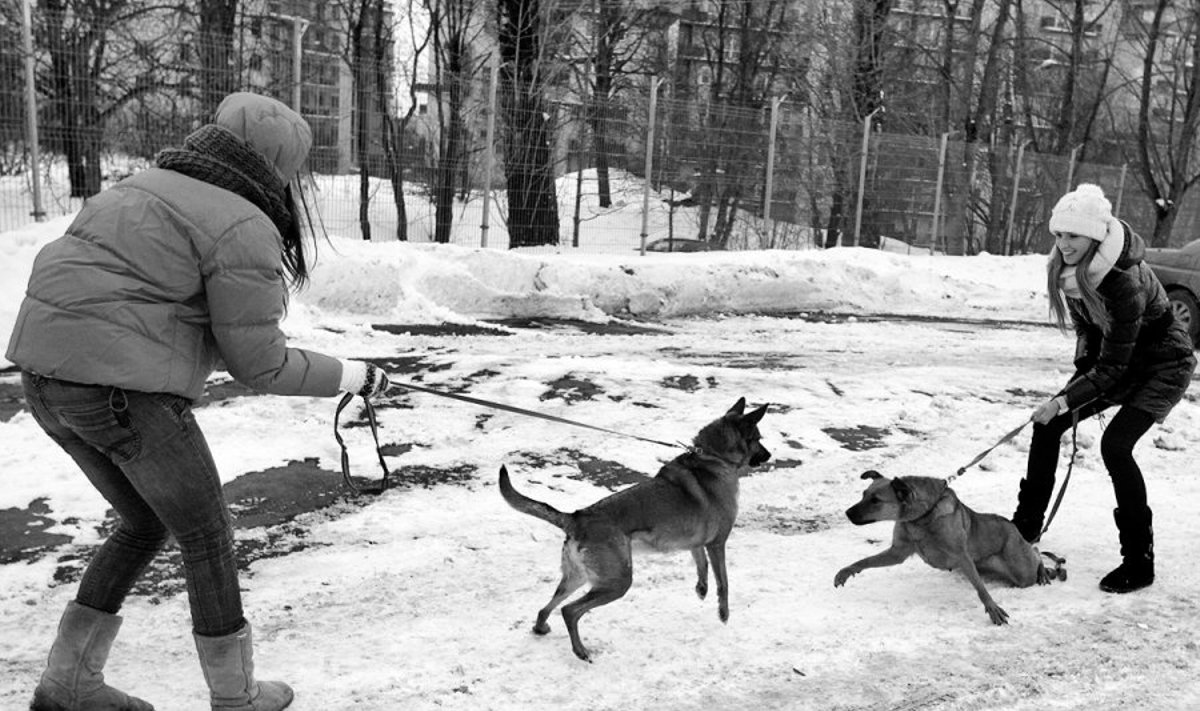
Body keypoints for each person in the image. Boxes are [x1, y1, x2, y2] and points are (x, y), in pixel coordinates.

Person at [7, 92, 394, 711]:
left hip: (46, 381)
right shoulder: (244, 221)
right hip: (121, 393)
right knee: (207, 535)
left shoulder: (137, 188)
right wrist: (352, 375)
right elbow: (260, 363)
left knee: (145, 522)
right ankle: (235, 699)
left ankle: (68, 684)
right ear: (278, 167)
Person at [1010, 183, 1195, 594]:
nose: (1063, 244)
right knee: (1048, 425)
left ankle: (1139, 561)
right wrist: (1076, 380)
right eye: (1058, 235)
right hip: (1120, 362)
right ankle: (1023, 531)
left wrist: (1066, 397)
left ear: (1095, 236)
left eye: (1072, 236)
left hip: (1163, 365)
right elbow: (1089, 334)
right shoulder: (1069, 271)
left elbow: (1113, 366)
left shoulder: (1123, 281)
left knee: (1116, 446)